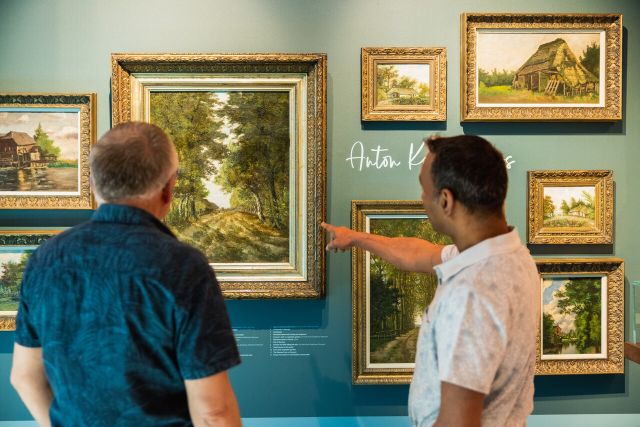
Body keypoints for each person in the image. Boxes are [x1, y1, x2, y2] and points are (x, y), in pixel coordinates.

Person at [10, 122, 242, 427]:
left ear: (93, 183)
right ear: (169, 188)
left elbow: (25, 377)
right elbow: (213, 413)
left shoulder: (45, 259)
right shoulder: (183, 267)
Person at [322, 135, 539, 427]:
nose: (422, 199)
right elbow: (418, 253)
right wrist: (357, 237)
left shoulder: (472, 291)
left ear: (446, 200)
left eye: (424, 189)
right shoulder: (512, 256)